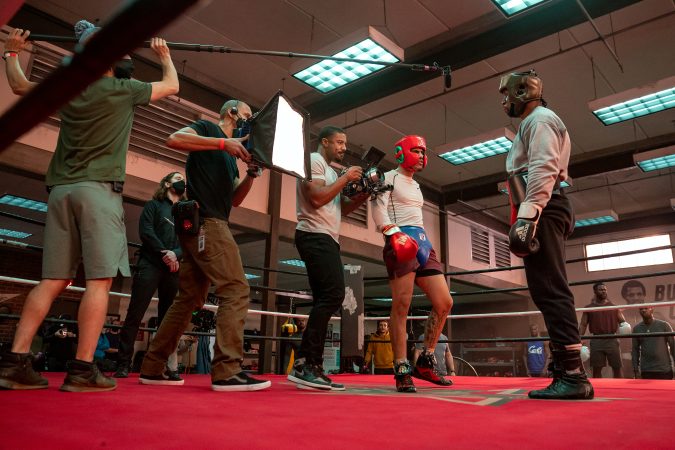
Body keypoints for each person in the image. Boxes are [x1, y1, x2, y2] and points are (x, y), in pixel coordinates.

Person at [0, 22, 179, 392]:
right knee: (99, 281)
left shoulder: (67, 89)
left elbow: (19, 86)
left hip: (61, 191)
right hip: (97, 191)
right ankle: (82, 370)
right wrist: (164, 56)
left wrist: (11, 52)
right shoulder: (123, 89)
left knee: (51, 280)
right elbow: (172, 86)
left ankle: (15, 363)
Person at [139, 99, 271, 392]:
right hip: (208, 223)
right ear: (231, 112)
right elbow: (173, 139)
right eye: (247, 116)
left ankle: (152, 365)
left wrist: (251, 173)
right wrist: (224, 144)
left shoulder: (231, 156)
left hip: (207, 223)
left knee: (189, 298)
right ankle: (227, 370)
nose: (249, 123)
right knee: (236, 289)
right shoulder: (208, 129)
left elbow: (234, 200)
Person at [500, 70, 593, 399]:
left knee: (551, 289)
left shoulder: (539, 120)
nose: (504, 102)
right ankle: (564, 369)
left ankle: (573, 375)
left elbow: (543, 166)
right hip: (544, 206)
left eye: (507, 95)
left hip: (544, 206)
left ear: (522, 91)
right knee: (546, 290)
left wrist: (528, 215)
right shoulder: (533, 122)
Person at [287, 126, 368, 391]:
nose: (344, 147)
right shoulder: (314, 160)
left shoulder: (331, 171)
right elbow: (317, 197)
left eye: (345, 143)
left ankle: (309, 364)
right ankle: (306, 364)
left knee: (329, 297)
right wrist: (346, 180)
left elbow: (340, 208)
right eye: (340, 142)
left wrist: (363, 193)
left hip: (327, 236)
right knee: (332, 295)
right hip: (313, 234)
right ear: (325, 142)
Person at [371, 135, 454, 393]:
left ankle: (426, 360)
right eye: (416, 150)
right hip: (400, 238)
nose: (421, 155)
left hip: (422, 242)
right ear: (402, 152)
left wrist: (426, 243)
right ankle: (401, 367)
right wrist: (390, 231)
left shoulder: (416, 185)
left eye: (423, 151)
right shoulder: (387, 177)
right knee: (402, 304)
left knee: (444, 302)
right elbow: (378, 208)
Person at [114, 172, 186, 379]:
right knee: (135, 314)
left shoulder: (185, 212)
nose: (182, 182)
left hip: (173, 268)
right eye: (178, 178)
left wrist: (176, 255)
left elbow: (189, 240)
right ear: (166, 183)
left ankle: (165, 365)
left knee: (168, 319)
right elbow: (146, 231)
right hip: (150, 264)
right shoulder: (153, 206)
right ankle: (123, 364)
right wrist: (165, 253)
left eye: (184, 180)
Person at [579, 282, 627, 378]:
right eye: (601, 289)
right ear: (595, 291)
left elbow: (623, 321)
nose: (603, 291)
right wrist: (579, 339)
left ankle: (620, 389)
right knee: (597, 368)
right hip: (597, 339)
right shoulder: (589, 308)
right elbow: (583, 324)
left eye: (605, 289)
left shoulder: (613, 307)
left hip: (612, 339)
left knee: (617, 367)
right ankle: (598, 390)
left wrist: (625, 328)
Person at [632, 307, 674, 380]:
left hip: (664, 370)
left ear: (652, 309)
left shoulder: (664, 325)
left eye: (646, 308)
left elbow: (673, 347)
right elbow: (635, 350)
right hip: (646, 370)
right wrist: (636, 370)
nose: (643, 310)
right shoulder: (637, 328)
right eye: (641, 309)